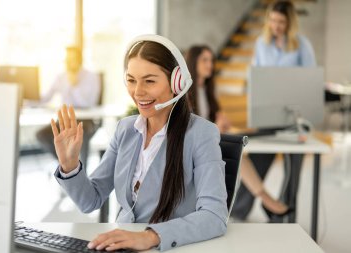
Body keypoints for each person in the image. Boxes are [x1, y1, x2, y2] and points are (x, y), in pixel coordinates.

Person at [50, 35, 228, 251]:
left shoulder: (201, 134)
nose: (137, 91)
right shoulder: (126, 130)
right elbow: (91, 200)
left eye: (149, 81)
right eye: (131, 80)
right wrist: (70, 166)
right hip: (121, 247)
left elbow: (214, 216)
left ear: (176, 83)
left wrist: (151, 237)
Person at [232, 0, 316, 221]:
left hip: (293, 116)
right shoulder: (262, 43)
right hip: (268, 112)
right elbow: (256, 77)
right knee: (259, 160)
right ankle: (239, 209)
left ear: (290, 23)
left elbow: (310, 80)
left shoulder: (301, 45)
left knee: (293, 167)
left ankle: (282, 212)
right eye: (273, 20)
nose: (276, 25)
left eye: (281, 21)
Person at [185, 45, 291, 218]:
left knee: (241, 148)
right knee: (237, 151)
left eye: (211, 60)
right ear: (192, 62)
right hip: (194, 145)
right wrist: (214, 128)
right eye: (204, 60)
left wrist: (221, 124)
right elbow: (189, 128)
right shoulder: (186, 93)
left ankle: (259, 201)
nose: (210, 64)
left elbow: (210, 122)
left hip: (209, 140)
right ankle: (266, 199)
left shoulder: (208, 91)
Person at [36, 46, 100, 168]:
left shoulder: (92, 77)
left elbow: (91, 103)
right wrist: (27, 98)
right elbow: (46, 98)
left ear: (80, 60)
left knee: (81, 135)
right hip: (64, 121)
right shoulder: (61, 77)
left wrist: (74, 85)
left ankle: (82, 173)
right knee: (42, 135)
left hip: (85, 122)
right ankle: (67, 162)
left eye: (72, 60)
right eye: (67, 60)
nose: (69, 63)